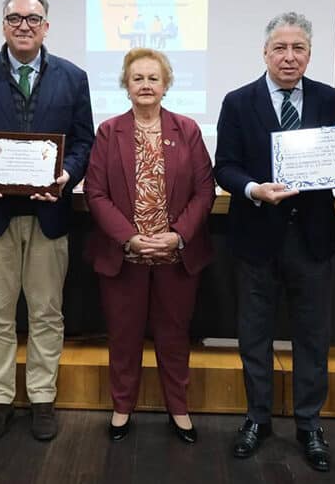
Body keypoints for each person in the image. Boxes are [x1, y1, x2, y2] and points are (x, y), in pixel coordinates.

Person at [0, 0, 94, 444]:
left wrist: (66, 175)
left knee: (47, 313)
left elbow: (85, 141)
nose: (24, 25)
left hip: (49, 217)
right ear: (3, 25)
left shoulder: (73, 77)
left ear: (47, 26)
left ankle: (42, 397)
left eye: (33, 19)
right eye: (15, 18)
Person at [214, 12, 335, 472]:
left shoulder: (331, 100)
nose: (289, 57)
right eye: (280, 48)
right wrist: (254, 189)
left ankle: (310, 424)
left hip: (313, 239)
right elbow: (224, 166)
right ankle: (258, 418)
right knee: (254, 336)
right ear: (265, 52)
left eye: (299, 49)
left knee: (313, 337)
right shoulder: (237, 101)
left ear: (309, 54)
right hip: (255, 238)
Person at [85, 48, 215, 443]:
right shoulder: (109, 132)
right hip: (125, 257)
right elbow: (95, 193)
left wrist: (177, 236)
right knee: (123, 337)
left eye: (152, 78)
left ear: (166, 84)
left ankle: (179, 408)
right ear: (126, 84)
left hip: (176, 257)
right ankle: (122, 407)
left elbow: (204, 190)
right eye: (137, 78)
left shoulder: (187, 129)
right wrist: (130, 239)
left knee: (174, 337)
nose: (145, 84)